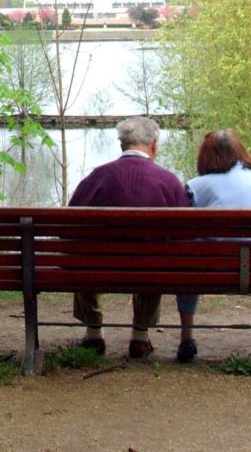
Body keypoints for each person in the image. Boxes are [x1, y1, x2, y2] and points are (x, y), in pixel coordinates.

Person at [68, 115, 187, 359]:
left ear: (121, 145)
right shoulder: (168, 181)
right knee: (158, 257)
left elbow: (69, 226)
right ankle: (140, 337)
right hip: (149, 272)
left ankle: (93, 333)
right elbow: (183, 235)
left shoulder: (96, 177)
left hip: (97, 270)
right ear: (153, 145)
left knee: (82, 252)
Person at [175, 129, 251, 364]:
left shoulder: (195, 186)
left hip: (214, 270)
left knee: (188, 261)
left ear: (206, 157)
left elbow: (187, 236)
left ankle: (186, 337)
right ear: (241, 152)